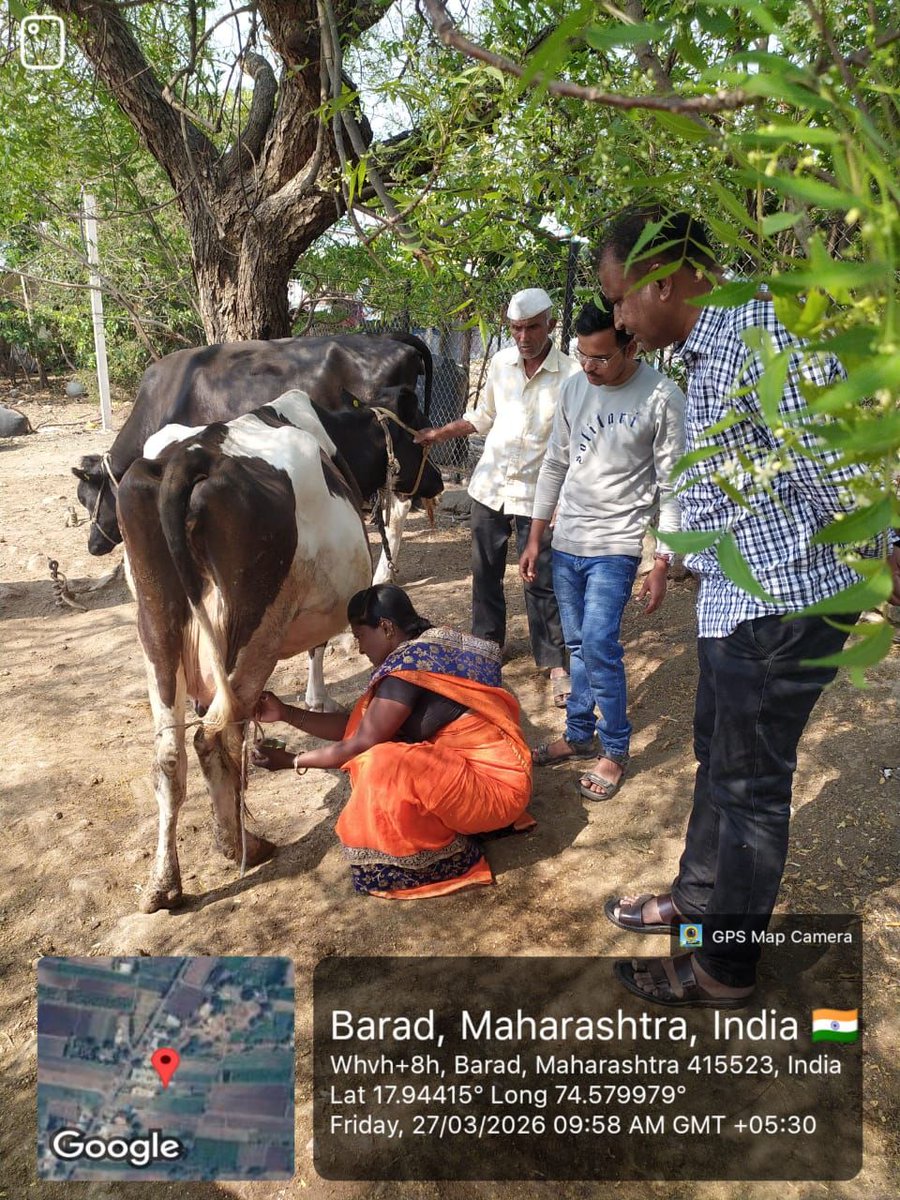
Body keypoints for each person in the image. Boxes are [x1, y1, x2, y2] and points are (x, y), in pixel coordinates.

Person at [597, 206, 899, 1007]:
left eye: (622, 298)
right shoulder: (715, 344)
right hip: (740, 600)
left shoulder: (765, 336)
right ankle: (697, 907)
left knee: (752, 788)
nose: (619, 319)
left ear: (665, 279)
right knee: (721, 764)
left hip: (783, 603)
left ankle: (722, 970)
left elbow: (838, 476)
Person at [252, 585, 534, 899]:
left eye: (360, 636)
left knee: (377, 762)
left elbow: (361, 743)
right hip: (497, 782)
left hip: (494, 794)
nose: (359, 649)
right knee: (381, 753)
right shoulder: (427, 648)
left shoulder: (406, 670)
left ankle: (437, 856)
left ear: (386, 627)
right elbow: (358, 726)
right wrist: (285, 713)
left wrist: (292, 761)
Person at [519, 299, 685, 801]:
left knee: (598, 645)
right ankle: (577, 735)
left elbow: (674, 484)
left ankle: (614, 748)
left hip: (616, 545)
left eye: (600, 358)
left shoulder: (661, 396)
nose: (588, 368)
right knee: (575, 645)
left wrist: (661, 561)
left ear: (630, 346)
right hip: (567, 540)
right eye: (581, 355)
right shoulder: (574, 389)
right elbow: (555, 465)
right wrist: (535, 535)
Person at [414, 288, 580, 707]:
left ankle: (554, 661)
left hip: (538, 494)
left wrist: (563, 500)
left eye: (532, 327)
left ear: (551, 326)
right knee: (484, 571)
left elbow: (578, 442)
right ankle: (489, 645)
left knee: (540, 578)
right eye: (516, 328)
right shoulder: (502, 364)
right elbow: (482, 416)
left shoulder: (573, 375)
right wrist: (439, 433)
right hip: (490, 486)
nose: (523, 336)